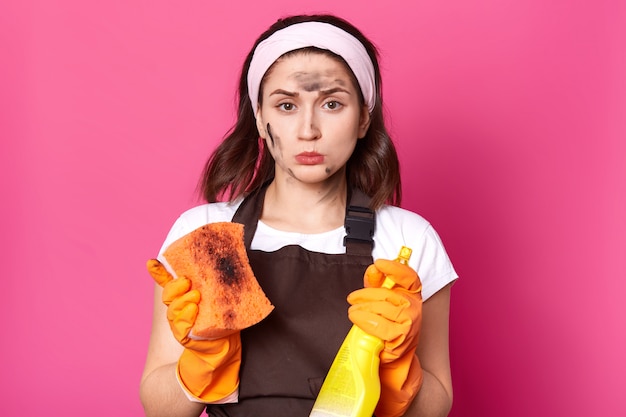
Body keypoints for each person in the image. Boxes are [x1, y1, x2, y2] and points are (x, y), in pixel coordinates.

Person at [140, 14, 458, 417]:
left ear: (363, 118)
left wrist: (398, 369)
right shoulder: (206, 236)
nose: (308, 130)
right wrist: (201, 364)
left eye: (331, 103)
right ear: (259, 117)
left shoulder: (409, 241)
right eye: (286, 105)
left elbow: (436, 406)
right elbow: (159, 408)